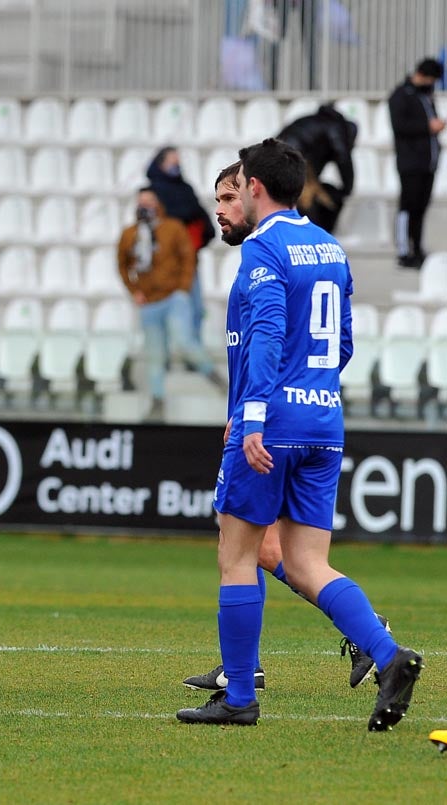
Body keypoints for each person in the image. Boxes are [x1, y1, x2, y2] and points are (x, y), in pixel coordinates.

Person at [176, 139, 422, 730]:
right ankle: (388, 656)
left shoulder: (264, 247)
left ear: (255, 187)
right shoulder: (330, 247)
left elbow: (265, 331)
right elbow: (342, 343)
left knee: (236, 556)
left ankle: (238, 696)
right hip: (323, 417)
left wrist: (256, 412)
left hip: (273, 419)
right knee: (310, 563)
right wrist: (312, 390)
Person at [116, 186, 224, 421]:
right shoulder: (130, 235)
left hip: (173, 297)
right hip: (149, 302)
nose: (145, 207)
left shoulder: (173, 228)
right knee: (155, 354)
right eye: (141, 202)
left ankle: (215, 377)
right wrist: (134, 290)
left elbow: (187, 259)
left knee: (185, 342)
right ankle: (157, 400)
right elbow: (123, 264)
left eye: (149, 202)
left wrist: (183, 290)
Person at [146, 146, 216, 343]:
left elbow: (201, 217)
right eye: (172, 161)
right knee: (163, 308)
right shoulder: (152, 192)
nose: (176, 165)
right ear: (161, 163)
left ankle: (194, 351)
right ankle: (164, 353)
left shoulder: (186, 188)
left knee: (195, 307)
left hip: (188, 258)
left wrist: (199, 238)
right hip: (163, 261)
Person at [389, 57, 445, 269]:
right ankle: (404, 250)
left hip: (428, 163)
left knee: (421, 207)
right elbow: (400, 126)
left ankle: (418, 247)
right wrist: (427, 127)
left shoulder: (426, 96)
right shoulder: (401, 95)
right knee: (407, 206)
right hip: (410, 162)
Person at [277, 103, 357, 233]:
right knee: (314, 201)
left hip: (282, 161)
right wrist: (348, 188)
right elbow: (343, 158)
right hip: (293, 163)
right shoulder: (336, 127)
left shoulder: (312, 122)